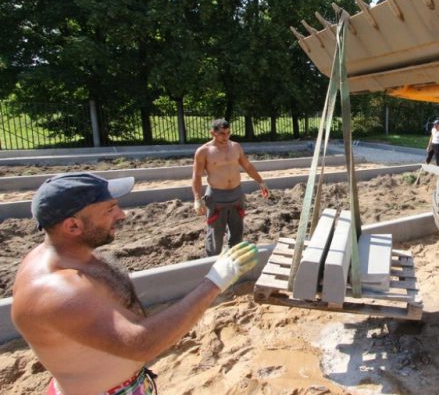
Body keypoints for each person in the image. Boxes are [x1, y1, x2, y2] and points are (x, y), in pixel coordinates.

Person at [11, 172, 258, 395]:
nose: (122, 214)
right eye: (109, 209)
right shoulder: (59, 290)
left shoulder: (76, 255)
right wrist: (214, 282)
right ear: (72, 225)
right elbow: (140, 344)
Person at [193, 119, 269, 256]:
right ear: (212, 133)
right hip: (216, 196)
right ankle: (212, 263)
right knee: (215, 233)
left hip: (236, 194)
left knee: (237, 231)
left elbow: (247, 166)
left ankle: (234, 261)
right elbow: (197, 176)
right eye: (222, 133)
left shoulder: (236, 147)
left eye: (228, 133)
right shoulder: (204, 151)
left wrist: (261, 182)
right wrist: (197, 199)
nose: (226, 137)